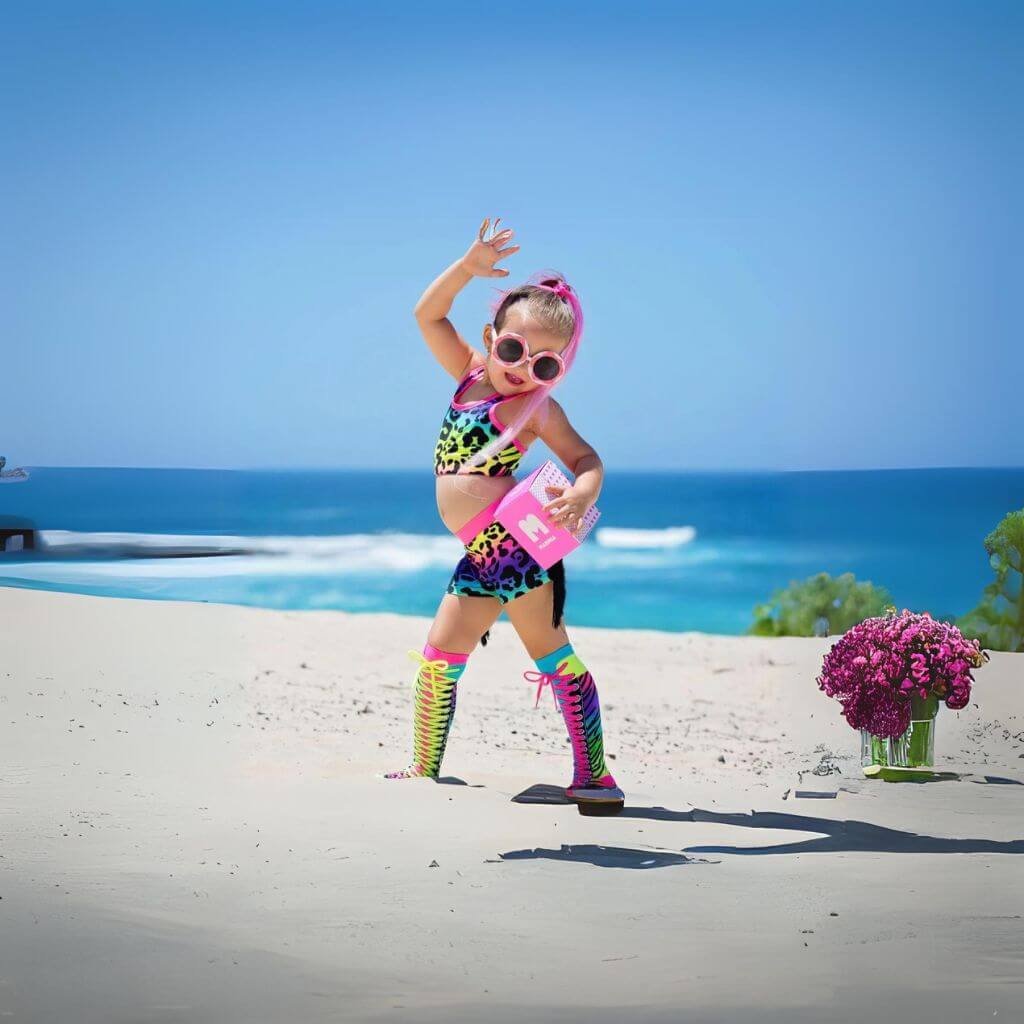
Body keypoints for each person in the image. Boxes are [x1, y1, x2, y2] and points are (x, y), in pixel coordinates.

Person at [384, 216, 623, 812]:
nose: (524, 369)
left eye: (546, 364)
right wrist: (467, 268)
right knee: (441, 653)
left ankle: (595, 776)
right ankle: (424, 767)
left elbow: (586, 458)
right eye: (515, 349)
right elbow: (427, 315)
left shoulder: (536, 409)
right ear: (491, 338)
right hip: (480, 551)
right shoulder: (467, 374)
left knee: (551, 651)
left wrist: (583, 493)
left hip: (513, 549)